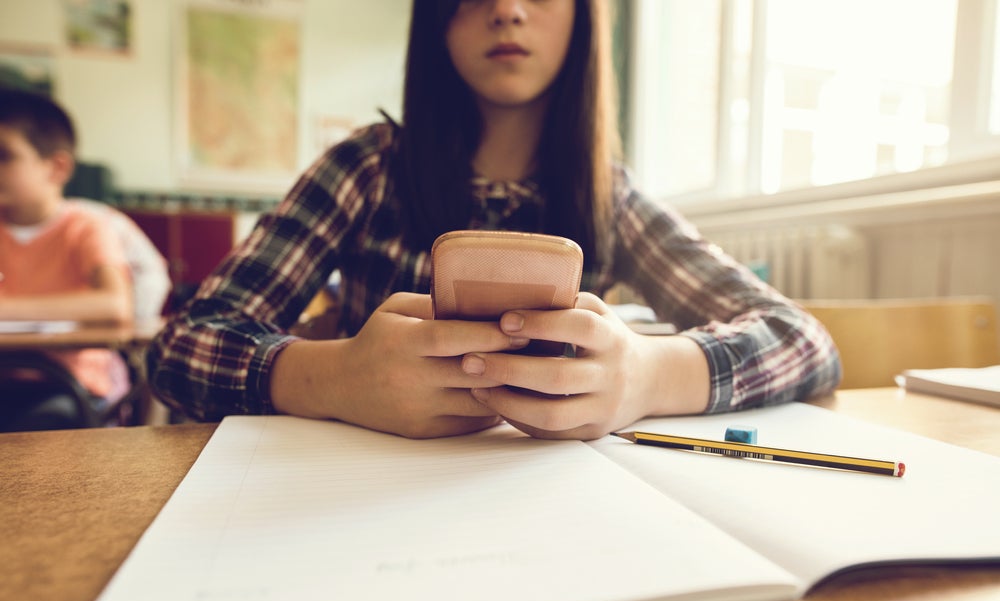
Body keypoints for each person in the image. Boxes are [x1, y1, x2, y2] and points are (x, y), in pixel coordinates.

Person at [147, 0, 841, 440]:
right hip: (366, 508)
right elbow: (181, 349)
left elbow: (803, 340)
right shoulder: (366, 167)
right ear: (436, 19)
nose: (507, 9)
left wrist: (649, 375)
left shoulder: (612, 198)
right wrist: (334, 376)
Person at [0, 88, 133, 431]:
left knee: (40, 428)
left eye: (4, 155)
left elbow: (115, 304)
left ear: (56, 167)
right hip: (6, 376)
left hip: (68, 385)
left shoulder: (86, 226)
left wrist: (7, 308)